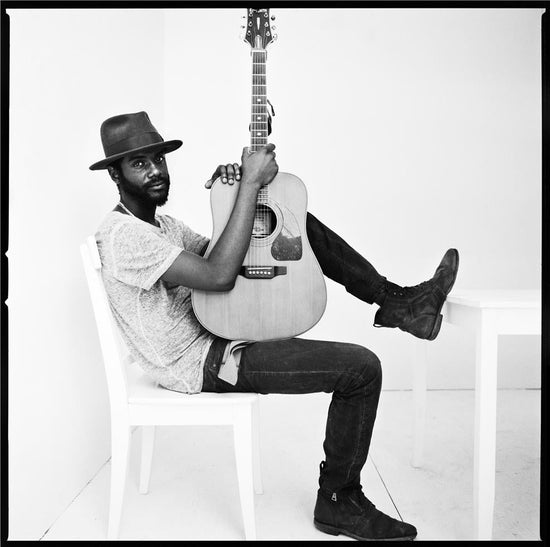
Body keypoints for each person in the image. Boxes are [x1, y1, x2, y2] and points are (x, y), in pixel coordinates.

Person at [91, 111, 459, 541]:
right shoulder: (122, 235)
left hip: (221, 334)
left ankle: (398, 302)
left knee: (292, 216)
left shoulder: (161, 225)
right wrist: (248, 185)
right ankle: (339, 502)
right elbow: (219, 276)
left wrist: (237, 193)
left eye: (158, 158)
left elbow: (228, 250)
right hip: (205, 362)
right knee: (362, 369)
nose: (155, 170)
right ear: (115, 174)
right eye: (139, 163)